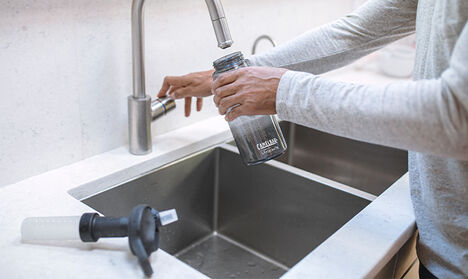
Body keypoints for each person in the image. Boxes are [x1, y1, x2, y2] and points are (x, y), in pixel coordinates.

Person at [158, 0, 468, 278]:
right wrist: (239, 74)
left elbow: (456, 116)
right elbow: (355, 33)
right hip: (444, 243)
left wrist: (283, 91)